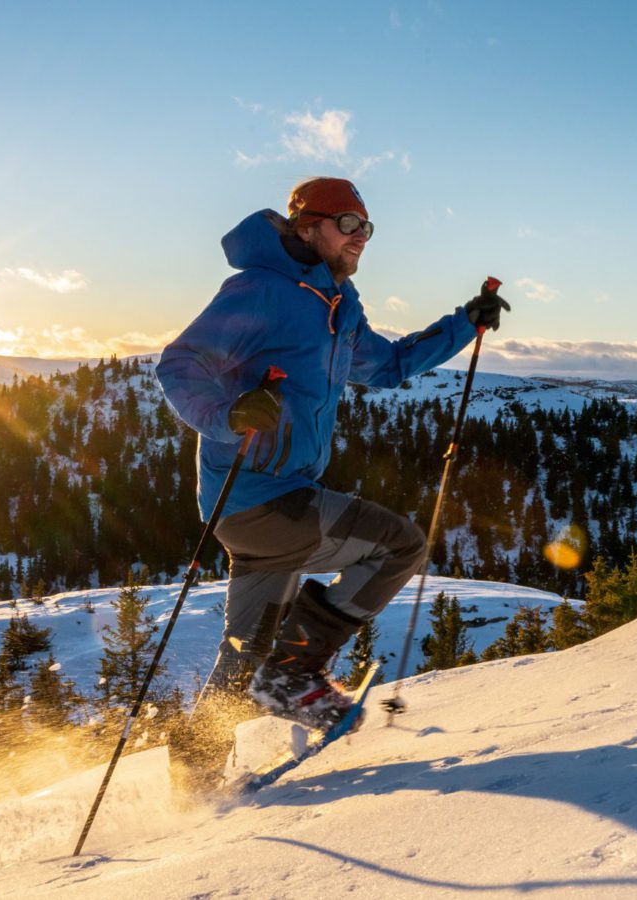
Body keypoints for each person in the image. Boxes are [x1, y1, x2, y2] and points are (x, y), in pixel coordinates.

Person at [155, 176, 509, 793]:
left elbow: (390, 365)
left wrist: (464, 324)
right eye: (348, 224)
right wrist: (229, 413)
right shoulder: (260, 290)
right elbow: (180, 364)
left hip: (267, 501)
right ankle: (294, 673)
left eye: (367, 227)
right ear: (307, 225)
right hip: (259, 495)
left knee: (242, 653)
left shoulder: (339, 307)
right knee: (398, 546)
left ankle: (193, 775)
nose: (361, 238)